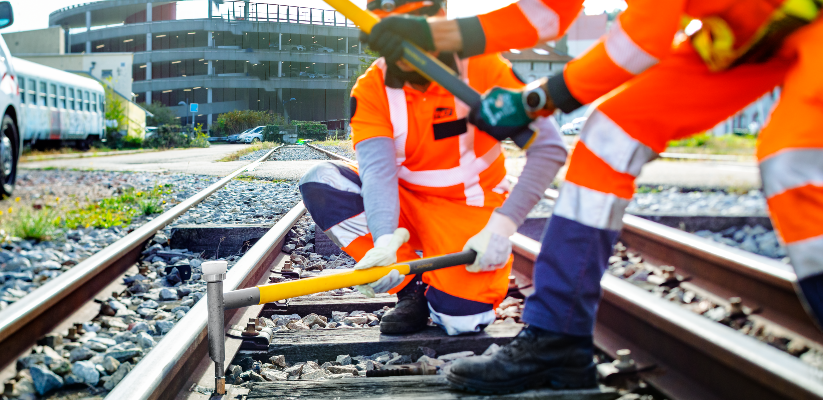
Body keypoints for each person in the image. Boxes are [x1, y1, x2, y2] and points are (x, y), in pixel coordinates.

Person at [367, 0, 823, 394]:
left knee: (795, 160)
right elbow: (547, 13)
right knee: (608, 139)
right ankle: (557, 340)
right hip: (749, 35)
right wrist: (432, 33)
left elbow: (641, 41)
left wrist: (538, 98)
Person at [298, 0, 568, 336]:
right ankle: (410, 289)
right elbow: (377, 174)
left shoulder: (483, 70)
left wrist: (501, 229)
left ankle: (442, 290)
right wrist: (384, 244)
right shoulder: (371, 89)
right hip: (404, 209)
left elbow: (550, 150)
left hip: (469, 212)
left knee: (462, 322)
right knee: (322, 181)